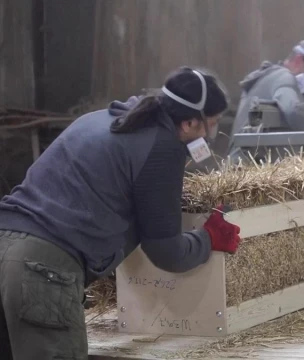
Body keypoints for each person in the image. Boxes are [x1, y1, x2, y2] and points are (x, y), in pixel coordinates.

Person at [0, 66, 242, 359]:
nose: (209, 133)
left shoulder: (105, 119)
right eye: (211, 124)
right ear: (190, 122)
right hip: (41, 269)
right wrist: (207, 238)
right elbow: (166, 251)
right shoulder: (161, 147)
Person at [226, 39, 304, 162]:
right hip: (244, 166)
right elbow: (293, 111)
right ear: (298, 60)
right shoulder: (284, 76)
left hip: (243, 164)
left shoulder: (273, 76)